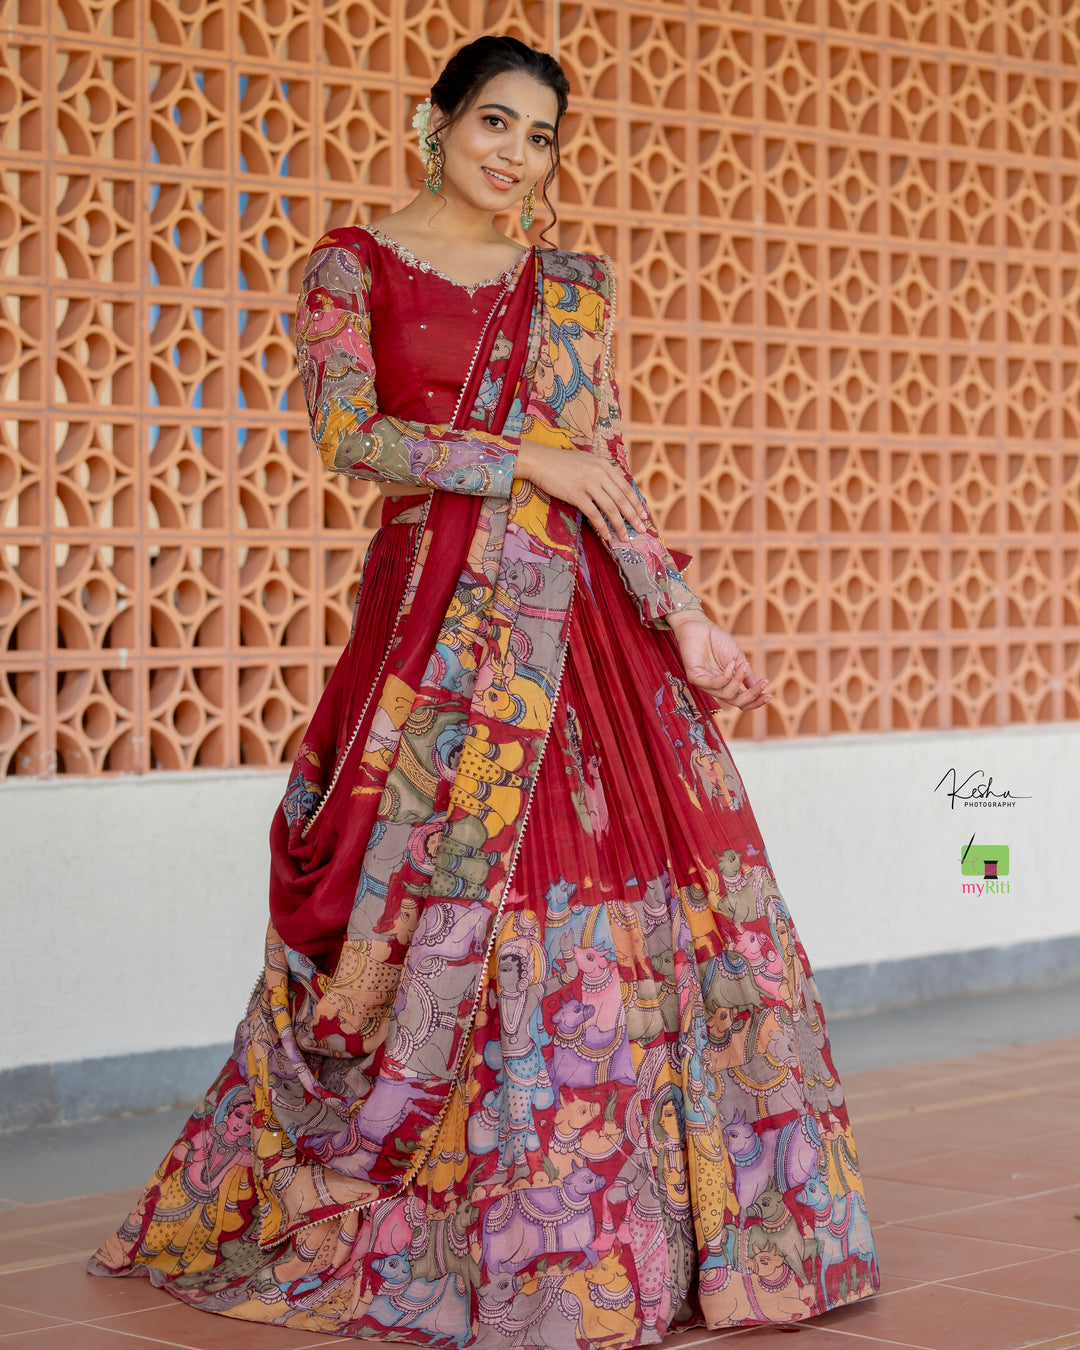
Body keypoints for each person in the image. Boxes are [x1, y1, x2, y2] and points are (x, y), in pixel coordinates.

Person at [89, 34, 880, 1345]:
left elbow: (602, 465)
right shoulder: (350, 265)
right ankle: (462, 1214)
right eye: (495, 125)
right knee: (421, 900)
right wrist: (521, 456)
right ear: (436, 122)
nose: (517, 156)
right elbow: (352, 436)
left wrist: (686, 617)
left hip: (581, 630)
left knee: (628, 902)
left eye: (542, 136)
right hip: (428, 629)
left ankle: (633, 1233)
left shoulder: (568, 284)